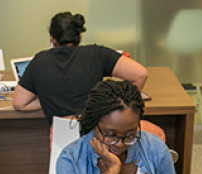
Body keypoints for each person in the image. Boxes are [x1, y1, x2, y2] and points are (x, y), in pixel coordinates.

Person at [12, 11, 149, 123]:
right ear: (80, 37)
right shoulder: (97, 54)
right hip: (97, 136)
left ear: (52, 39)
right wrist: (113, 101)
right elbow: (140, 74)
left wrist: (48, 99)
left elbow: (19, 103)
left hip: (62, 140)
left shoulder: (40, 60)